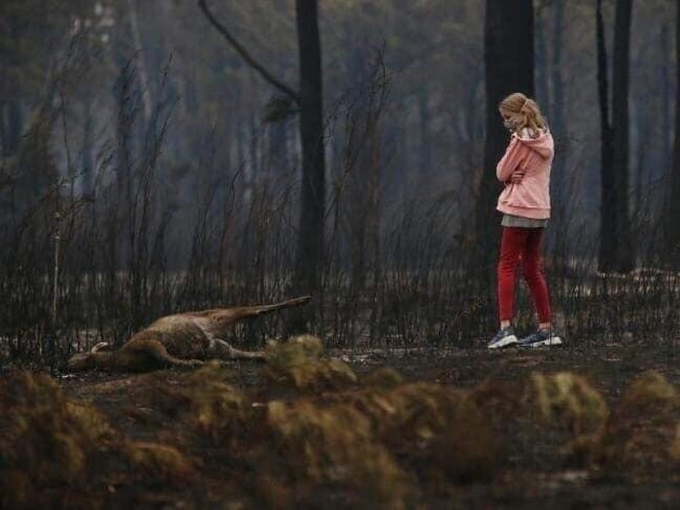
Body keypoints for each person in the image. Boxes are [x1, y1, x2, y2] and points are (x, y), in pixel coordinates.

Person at [487, 92, 562, 349]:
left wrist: (511, 176)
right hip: (540, 210)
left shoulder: (520, 140)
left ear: (518, 115)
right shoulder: (547, 137)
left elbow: (500, 172)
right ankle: (546, 329)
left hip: (518, 208)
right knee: (531, 269)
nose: (506, 122)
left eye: (507, 117)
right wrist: (516, 175)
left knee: (506, 266)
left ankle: (506, 328)